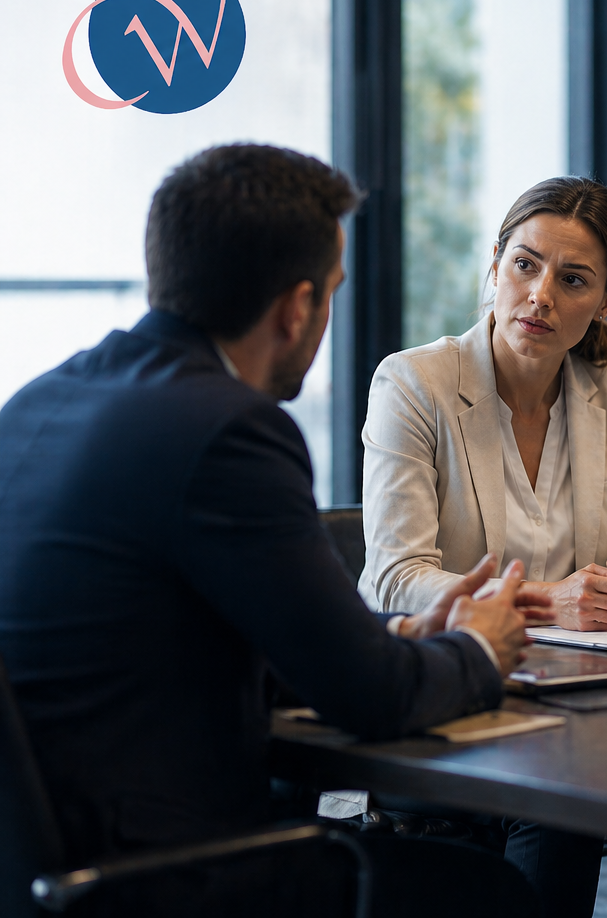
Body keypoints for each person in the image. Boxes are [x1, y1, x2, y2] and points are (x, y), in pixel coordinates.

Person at [0, 145, 553, 915]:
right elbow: (371, 702)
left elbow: (218, 636)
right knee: (493, 895)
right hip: (169, 877)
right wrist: (478, 649)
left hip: (37, 876)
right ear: (296, 308)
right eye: (330, 295)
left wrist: (401, 634)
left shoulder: (35, 406)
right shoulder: (228, 431)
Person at [357, 176, 607, 918]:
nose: (540, 295)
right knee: (571, 788)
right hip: (459, 695)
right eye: (524, 264)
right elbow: (394, 579)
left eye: (572, 279)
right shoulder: (414, 383)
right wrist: (551, 603)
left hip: (578, 700)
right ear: (494, 264)